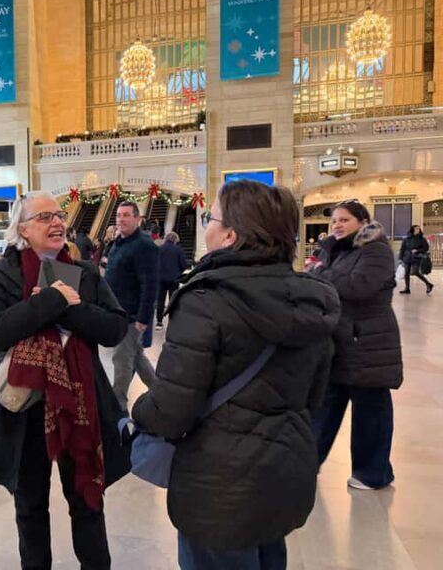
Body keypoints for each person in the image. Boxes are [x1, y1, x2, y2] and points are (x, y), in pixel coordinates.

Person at [133, 180, 340, 570]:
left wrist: (136, 414)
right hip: (284, 467)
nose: (206, 226)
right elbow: (318, 395)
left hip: (219, 482)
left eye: (210, 217)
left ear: (230, 234)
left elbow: (172, 407)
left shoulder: (206, 299)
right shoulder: (312, 297)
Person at [0, 191, 131, 570]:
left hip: (81, 406)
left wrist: (69, 307)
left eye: (58, 214)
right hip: (26, 412)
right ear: (22, 229)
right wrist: (48, 302)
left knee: (88, 502)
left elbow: (115, 327)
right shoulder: (5, 274)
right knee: (31, 506)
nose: (57, 222)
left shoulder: (85, 272)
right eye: (44, 217)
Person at [311, 200, 402, 490]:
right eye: (334, 220)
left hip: (368, 341)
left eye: (344, 220)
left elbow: (358, 286)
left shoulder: (376, 250)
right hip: (339, 340)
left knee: (370, 410)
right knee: (324, 407)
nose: (337, 225)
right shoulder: (339, 252)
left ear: (362, 222)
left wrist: (319, 273)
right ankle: (307, 462)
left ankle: (372, 473)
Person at [105, 201, 158, 408]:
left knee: (122, 359)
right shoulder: (119, 243)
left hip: (131, 315)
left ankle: (117, 406)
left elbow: (150, 284)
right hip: (117, 312)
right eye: (118, 215)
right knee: (137, 358)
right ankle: (160, 392)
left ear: (138, 219)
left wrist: (143, 318)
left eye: (126, 215)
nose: (121, 219)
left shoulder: (144, 246)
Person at [155, 232, 189, 330]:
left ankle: (159, 322)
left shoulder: (159, 249)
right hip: (174, 279)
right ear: (175, 240)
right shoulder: (178, 250)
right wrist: (178, 272)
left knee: (160, 300)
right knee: (173, 300)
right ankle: (172, 321)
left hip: (160, 279)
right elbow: (184, 264)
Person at [398, 224, 433, 294]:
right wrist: (400, 258)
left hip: (416, 258)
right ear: (412, 229)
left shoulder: (422, 239)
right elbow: (402, 249)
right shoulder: (406, 239)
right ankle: (407, 289)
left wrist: (418, 250)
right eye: (416, 229)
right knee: (406, 274)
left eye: (419, 229)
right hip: (407, 258)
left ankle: (428, 284)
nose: (418, 230)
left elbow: (426, 248)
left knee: (415, 272)